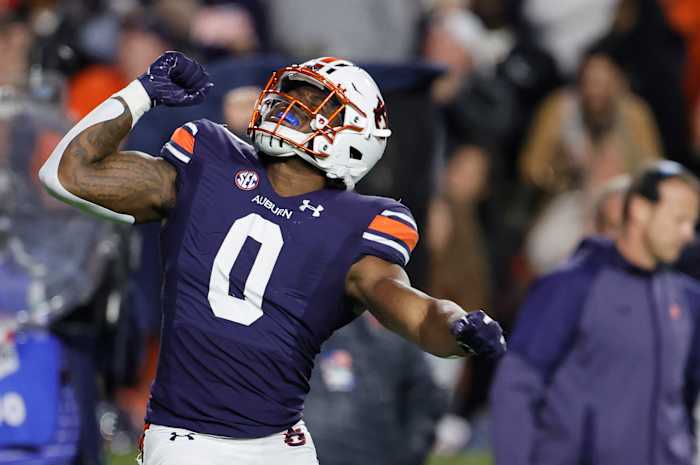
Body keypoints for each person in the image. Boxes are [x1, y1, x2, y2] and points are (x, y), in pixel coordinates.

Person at [38, 51, 506, 465]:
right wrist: (140, 94)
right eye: (290, 94)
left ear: (357, 137)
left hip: (282, 443)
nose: (289, 106)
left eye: (314, 103)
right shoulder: (211, 160)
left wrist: (458, 327)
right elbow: (67, 174)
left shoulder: (358, 223)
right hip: (189, 440)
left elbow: (414, 309)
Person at [490, 160, 700, 465]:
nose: (688, 235)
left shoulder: (686, 299)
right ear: (640, 210)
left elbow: (686, 398)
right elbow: (517, 387)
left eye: (692, 224)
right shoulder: (569, 287)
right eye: (679, 220)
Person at [304, 312, 447, 465]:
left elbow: (425, 402)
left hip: (374, 454)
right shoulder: (296, 332)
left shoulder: (396, 338)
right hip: (316, 453)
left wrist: (410, 455)